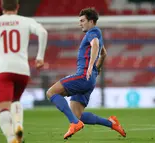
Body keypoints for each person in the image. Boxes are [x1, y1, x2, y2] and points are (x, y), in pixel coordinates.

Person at [46, 8, 126, 140]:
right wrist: (97, 68)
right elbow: (104, 53)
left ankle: (75, 124)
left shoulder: (92, 32)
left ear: (91, 21)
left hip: (83, 76)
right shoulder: (98, 34)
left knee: (50, 93)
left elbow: (95, 45)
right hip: (90, 79)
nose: (80, 24)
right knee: (77, 114)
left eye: (82, 20)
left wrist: (90, 67)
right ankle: (111, 123)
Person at [0, 0, 48, 142]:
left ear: (2, 7)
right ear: (17, 6)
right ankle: (18, 125)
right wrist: (39, 57)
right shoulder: (25, 21)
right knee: (15, 100)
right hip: (22, 70)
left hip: (3, 70)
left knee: (3, 108)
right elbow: (43, 32)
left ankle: (11, 138)